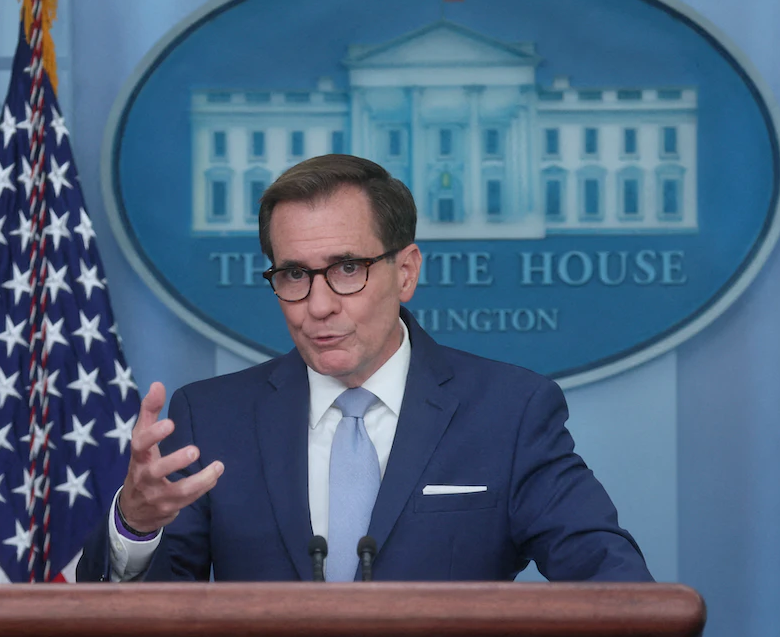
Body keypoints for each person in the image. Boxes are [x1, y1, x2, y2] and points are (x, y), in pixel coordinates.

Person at [76, 154, 651, 583]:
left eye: (347, 268)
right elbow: (148, 619)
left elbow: (613, 585)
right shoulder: (211, 417)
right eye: (294, 274)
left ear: (406, 272)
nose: (319, 305)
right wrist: (136, 525)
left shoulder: (509, 411)